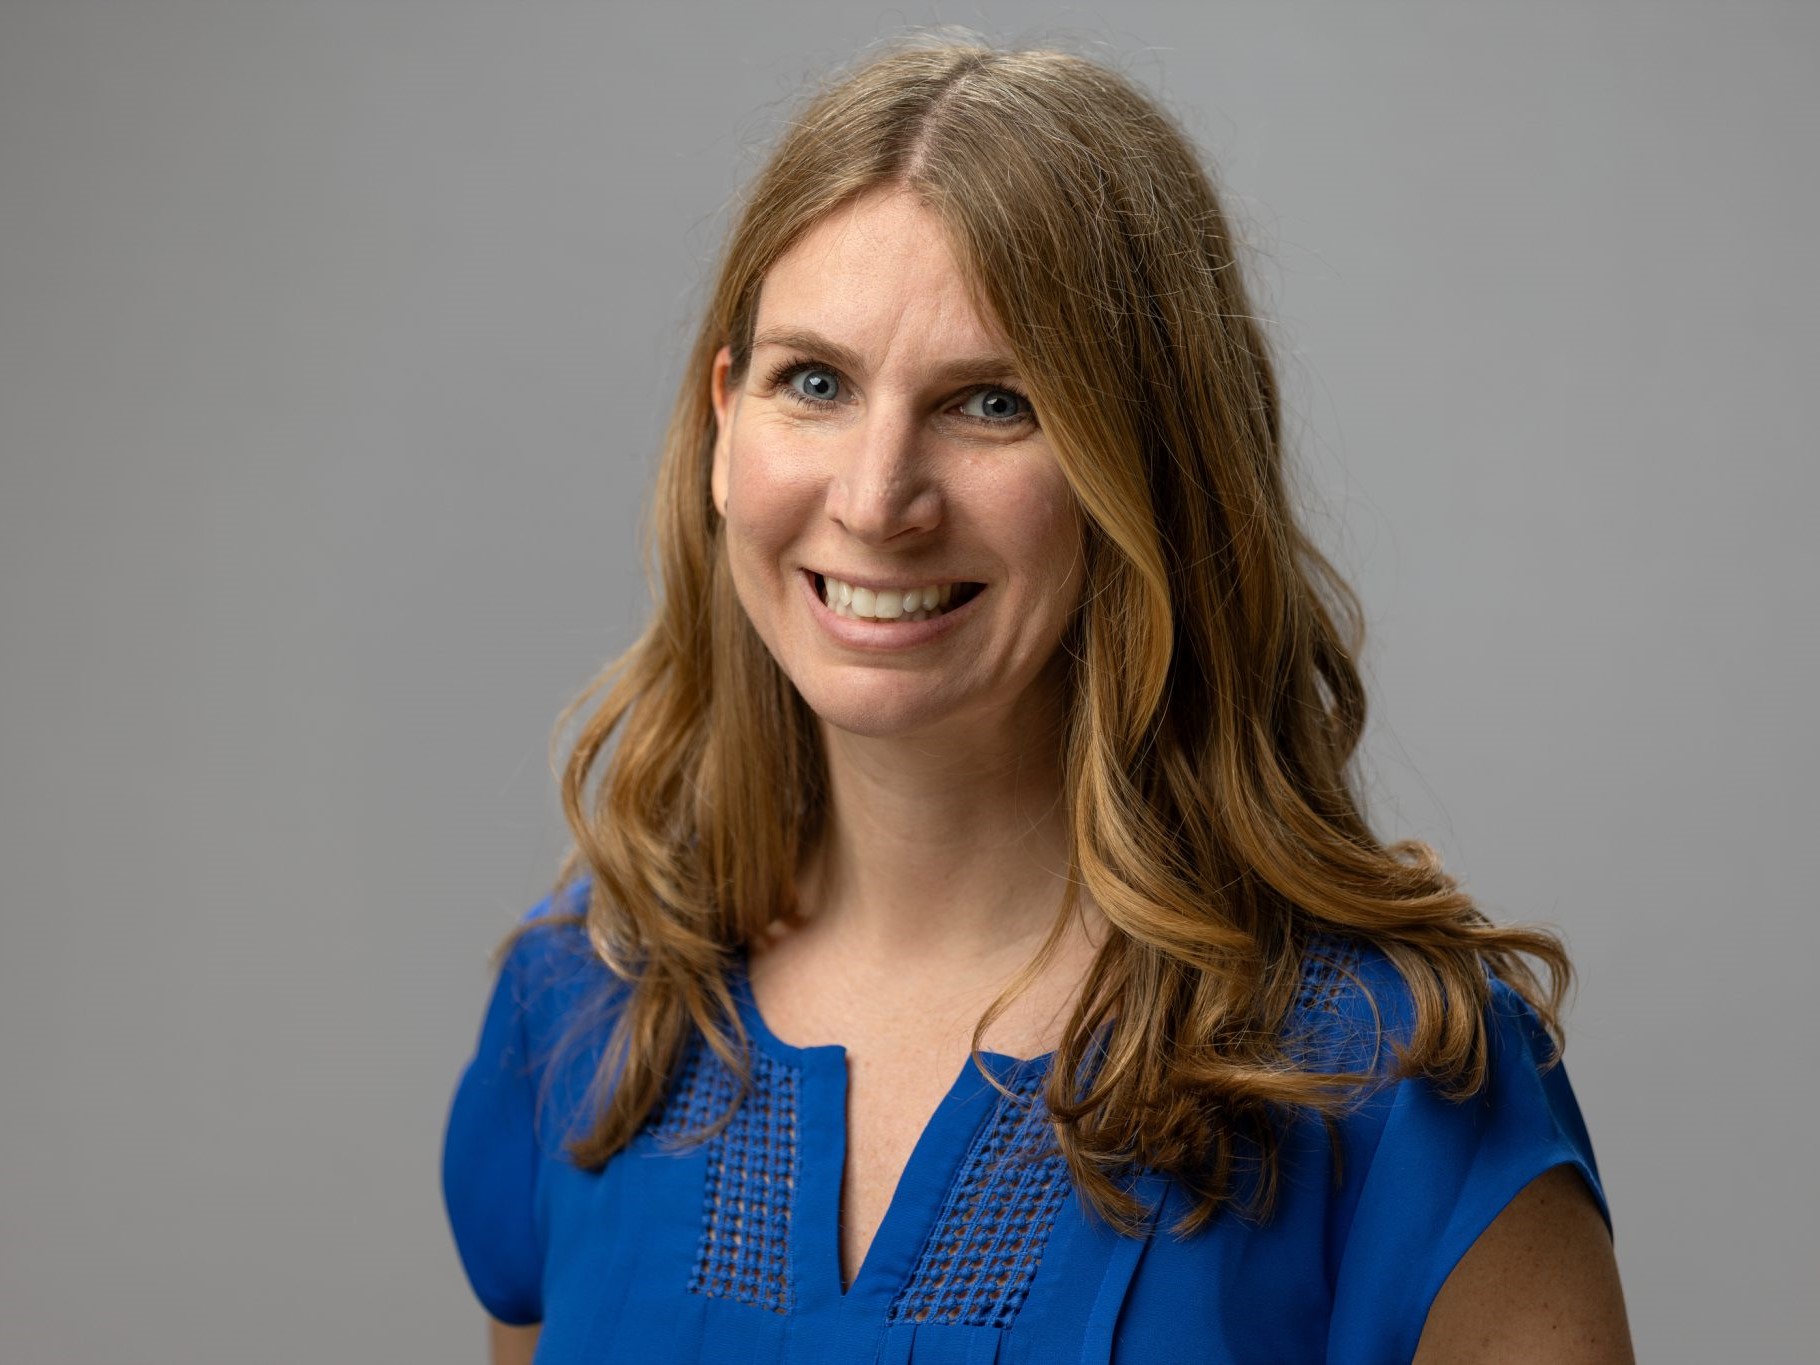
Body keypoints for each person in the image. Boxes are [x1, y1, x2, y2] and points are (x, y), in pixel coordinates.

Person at [442, 37, 1633, 1364]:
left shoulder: (1394, 1080)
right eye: (816, 383)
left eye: (992, 402)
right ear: (727, 423)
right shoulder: (584, 1006)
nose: (877, 496)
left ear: (1148, 467)